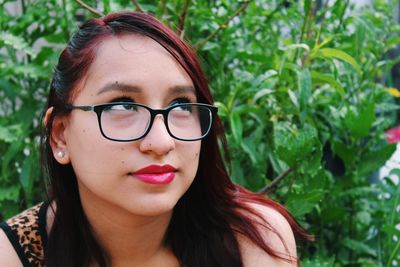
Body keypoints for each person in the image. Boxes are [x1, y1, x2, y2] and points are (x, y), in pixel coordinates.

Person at [0, 11, 311, 267]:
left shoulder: (250, 241)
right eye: (122, 105)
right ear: (60, 136)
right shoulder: (15, 253)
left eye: (180, 106)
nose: (161, 142)